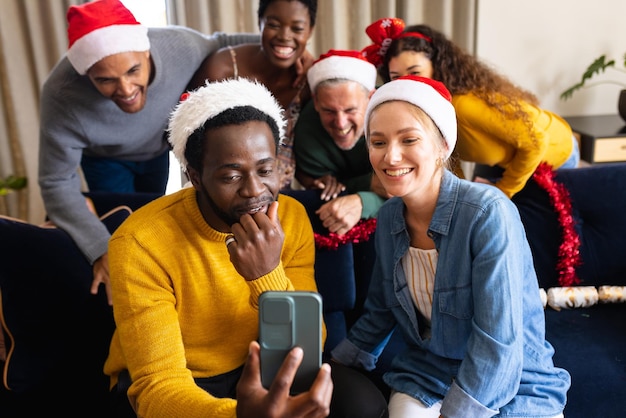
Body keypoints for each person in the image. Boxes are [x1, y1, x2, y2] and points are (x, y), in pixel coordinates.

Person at [103, 77, 388, 418]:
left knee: (364, 406)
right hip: (184, 381)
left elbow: (306, 348)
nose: (255, 190)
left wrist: (266, 275)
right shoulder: (140, 242)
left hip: (260, 363)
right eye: (231, 176)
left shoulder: (291, 217)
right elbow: (157, 386)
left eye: (266, 169)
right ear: (195, 176)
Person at [330, 75, 571, 418]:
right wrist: (329, 367)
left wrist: (455, 414)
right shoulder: (387, 220)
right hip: (428, 373)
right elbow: (382, 310)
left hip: (516, 376)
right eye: (378, 142)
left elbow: (498, 340)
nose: (391, 156)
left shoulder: (487, 212)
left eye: (409, 139)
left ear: (443, 146)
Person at [38, 0, 259, 305]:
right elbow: (55, 181)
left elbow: (222, 43)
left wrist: (289, 50)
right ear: (86, 73)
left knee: (152, 223)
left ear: (146, 51)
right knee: (122, 242)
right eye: (105, 80)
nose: (126, 88)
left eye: (133, 70)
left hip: (158, 149)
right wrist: (102, 250)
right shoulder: (61, 95)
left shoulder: (176, 46)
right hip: (106, 159)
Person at [362, 17, 580, 199]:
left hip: (554, 149)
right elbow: (448, 158)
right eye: (396, 77)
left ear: (437, 68)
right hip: (505, 160)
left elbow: (536, 142)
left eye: (415, 72)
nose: (407, 83)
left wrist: (503, 191)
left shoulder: (464, 106)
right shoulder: (426, 113)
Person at [188, 0, 317, 191]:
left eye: (297, 28)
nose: (284, 36)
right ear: (260, 22)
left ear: (310, 31)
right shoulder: (221, 71)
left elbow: (303, 145)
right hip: (221, 196)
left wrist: (316, 181)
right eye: (273, 25)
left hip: (279, 197)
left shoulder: (309, 81)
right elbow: (188, 139)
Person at [294, 49, 387, 236]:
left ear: (371, 99)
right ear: (316, 103)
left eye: (350, 110)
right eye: (329, 111)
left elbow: (417, 193)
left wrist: (363, 201)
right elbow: (322, 196)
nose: (340, 123)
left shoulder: (396, 119)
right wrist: (369, 184)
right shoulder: (307, 135)